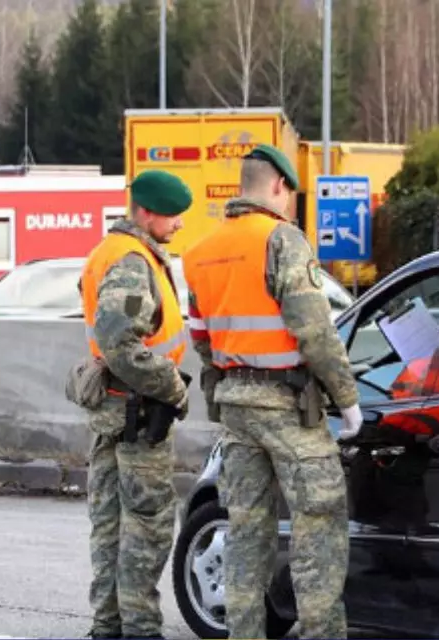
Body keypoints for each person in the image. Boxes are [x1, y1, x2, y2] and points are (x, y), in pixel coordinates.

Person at [182, 144, 364, 639]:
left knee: (245, 532)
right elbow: (315, 332)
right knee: (319, 525)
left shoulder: (199, 253)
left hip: (236, 410)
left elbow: (200, 338)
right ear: (279, 186)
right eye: (291, 195)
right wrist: (347, 400)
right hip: (287, 407)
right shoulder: (282, 240)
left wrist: (235, 374)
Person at [77, 169, 195, 640]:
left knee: (109, 526)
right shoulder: (130, 261)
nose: (179, 225)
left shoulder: (113, 252)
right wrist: (172, 386)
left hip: (114, 411)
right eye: (172, 216)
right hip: (139, 414)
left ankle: (107, 626)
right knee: (145, 528)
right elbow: (119, 340)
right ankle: (140, 630)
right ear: (145, 213)